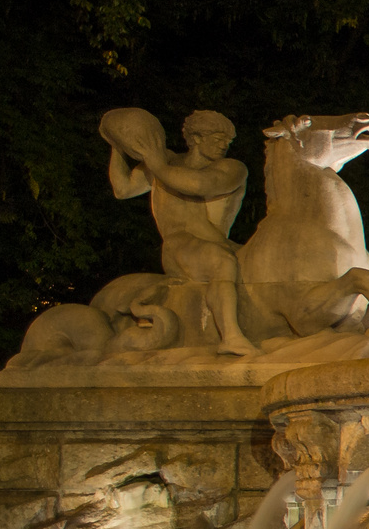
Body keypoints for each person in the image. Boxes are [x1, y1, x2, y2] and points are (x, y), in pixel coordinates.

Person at [105, 109, 256, 356]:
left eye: (227, 142)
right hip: (179, 248)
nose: (223, 146)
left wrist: (156, 164)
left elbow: (199, 185)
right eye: (217, 139)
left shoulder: (232, 168)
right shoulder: (167, 162)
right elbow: (122, 189)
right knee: (221, 262)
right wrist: (117, 147)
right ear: (196, 138)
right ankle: (231, 336)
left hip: (217, 243)